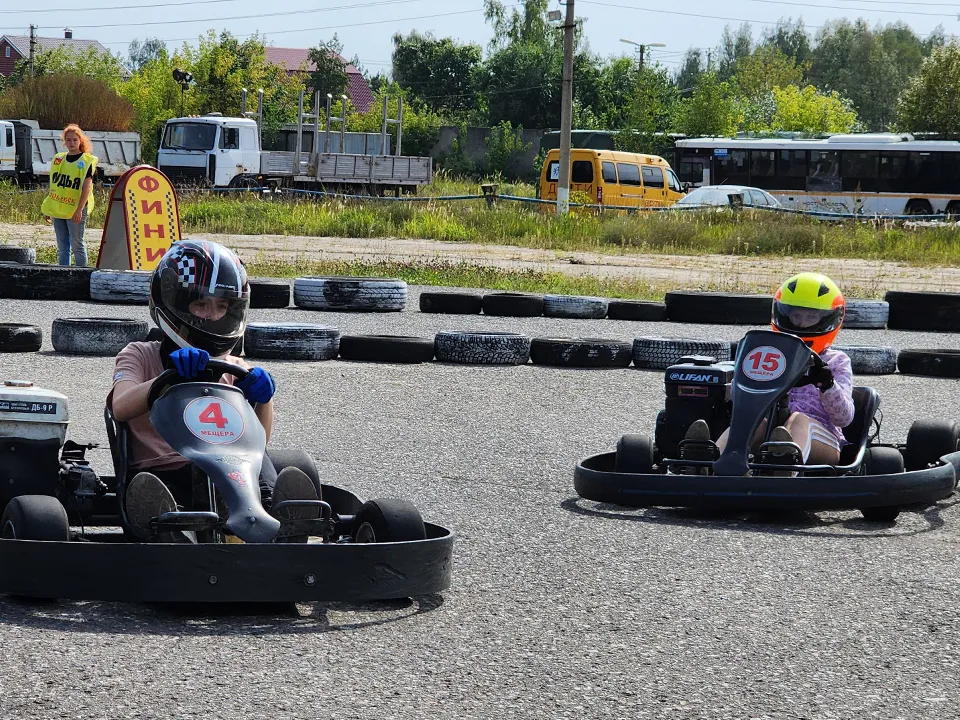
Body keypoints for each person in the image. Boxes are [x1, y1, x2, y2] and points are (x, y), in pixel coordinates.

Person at [107, 239, 318, 542]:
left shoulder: (234, 366)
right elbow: (121, 406)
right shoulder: (140, 355)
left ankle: (280, 519)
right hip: (166, 470)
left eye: (222, 307)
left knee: (256, 463)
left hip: (231, 470)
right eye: (201, 305)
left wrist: (263, 400)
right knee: (158, 493)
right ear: (175, 304)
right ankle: (169, 526)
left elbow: (259, 440)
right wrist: (167, 380)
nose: (214, 316)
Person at [684, 272, 855, 469]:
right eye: (796, 316)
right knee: (753, 422)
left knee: (798, 420)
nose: (801, 323)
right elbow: (739, 401)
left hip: (822, 439)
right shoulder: (769, 354)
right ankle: (709, 463)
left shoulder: (836, 361)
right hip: (770, 430)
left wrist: (827, 385)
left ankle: (784, 470)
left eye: (811, 317)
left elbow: (844, 418)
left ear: (830, 319)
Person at [40, 124, 97, 267]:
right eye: (69, 140)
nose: (71, 143)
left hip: (76, 209)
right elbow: (55, 187)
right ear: (64, 141)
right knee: (62, 246)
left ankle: (82, 275)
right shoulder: (59, 159)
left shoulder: (86, 161)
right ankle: (63, 274)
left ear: (80, 141)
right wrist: (49, 208)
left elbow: (86, 188)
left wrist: (79, 210)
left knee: (77, 244)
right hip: (59, 208)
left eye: (75, 140)